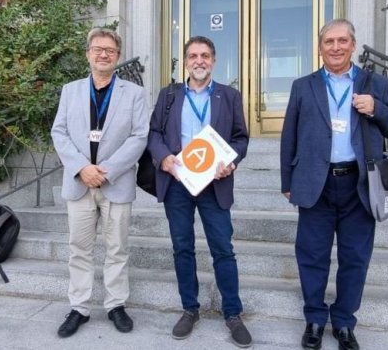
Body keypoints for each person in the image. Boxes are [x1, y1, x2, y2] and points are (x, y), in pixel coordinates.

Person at [280, 19, 388, 350]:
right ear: (319, 48)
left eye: (342, 41)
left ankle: (345, 322)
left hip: (358, 184)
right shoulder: (302, 86)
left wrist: (376, 109)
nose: (335, 47)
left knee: (355, 257)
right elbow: (288, 136)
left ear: (352, 44)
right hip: (314, 184)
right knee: (312, 256)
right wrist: (287, 181)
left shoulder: (374, 83)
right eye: (329, 42)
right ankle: (315, 319)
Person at [147, 36, 252, 348]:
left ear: (214, 61)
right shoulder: (168, 96)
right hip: (178, 183)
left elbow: (240, 139)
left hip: (214, 184)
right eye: (193, 55)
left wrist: (230, 162)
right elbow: (153, 133)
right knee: (182, 248)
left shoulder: (229, 96)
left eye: (205, 55)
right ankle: (189, 309)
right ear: (185, 61)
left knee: (223, 249)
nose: (199, 61)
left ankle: (232, 313)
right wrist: (163, 157)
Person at [51, 27, 149, 338]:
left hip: (115, 184)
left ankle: (116, 305)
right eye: (97, 48)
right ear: (88, 54)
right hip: (79, 183)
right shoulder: (71, 90)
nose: (103, 54)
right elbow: (59, 133)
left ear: (117, 57)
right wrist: (82, 168)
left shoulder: (134, 93)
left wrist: (105, 170)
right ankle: (78, 307)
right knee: (79, 248)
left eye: (109, 50)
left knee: (117, 248)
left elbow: (139, 136)